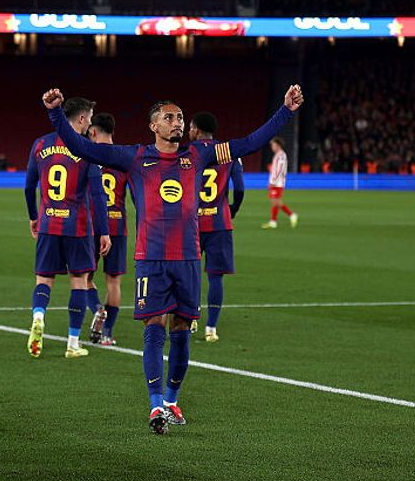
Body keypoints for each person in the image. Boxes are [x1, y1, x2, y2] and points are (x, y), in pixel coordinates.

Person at [41, 84, 303, 434]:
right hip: (151, 259)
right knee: (154, 329)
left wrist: (285, 111)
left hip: (188, 259)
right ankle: (155, 405)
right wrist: (55, 113)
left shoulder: (199, 153)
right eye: (169, 117)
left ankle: (172, 400)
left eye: (180, 117)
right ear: (154, 125)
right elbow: (81, 147)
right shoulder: (133, 157)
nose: (177, 122)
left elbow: (249, 143)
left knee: (181, 332)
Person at [24, 97, 110, 358]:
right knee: (79, 281)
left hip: (48, 222)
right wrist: (104, 231)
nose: (91, 123)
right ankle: (72, 343)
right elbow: (98, 195)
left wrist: (33, 217)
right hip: (78, 226)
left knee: (44, 280)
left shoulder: (40, 144)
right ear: (82, 119)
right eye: (90, 117)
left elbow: (29, 187)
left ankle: (39, 316)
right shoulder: (86, 149)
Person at [188, 112, 245, 343]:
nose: (188, 131)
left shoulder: (188, 152)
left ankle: (190, 318)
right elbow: (239, 188)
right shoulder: (227, 152)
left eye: (190, 127)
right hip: (219, 222)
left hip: (191, 223)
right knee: (215, 277)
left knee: (189, 273)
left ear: (197, 130)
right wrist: (232, 210)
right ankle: (211, 328)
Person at [87, 112, 128, 347]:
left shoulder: (87, 154)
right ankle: (107, 333)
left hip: (90, 225)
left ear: (93, 131)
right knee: (114, 282)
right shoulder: (124, 158)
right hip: (117, 225)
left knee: (83, 277)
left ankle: (97, 309)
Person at [261, 137, 297, 229]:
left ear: (278, 145)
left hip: (278, 183)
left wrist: (273, 181)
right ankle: (273, 221)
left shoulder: (281, 155)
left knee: (276, 201)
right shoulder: (278, 155)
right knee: (274, 202)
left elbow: (280, 169)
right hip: (276, 182)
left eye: (273, 145)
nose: (272, 147)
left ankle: (291, 215)